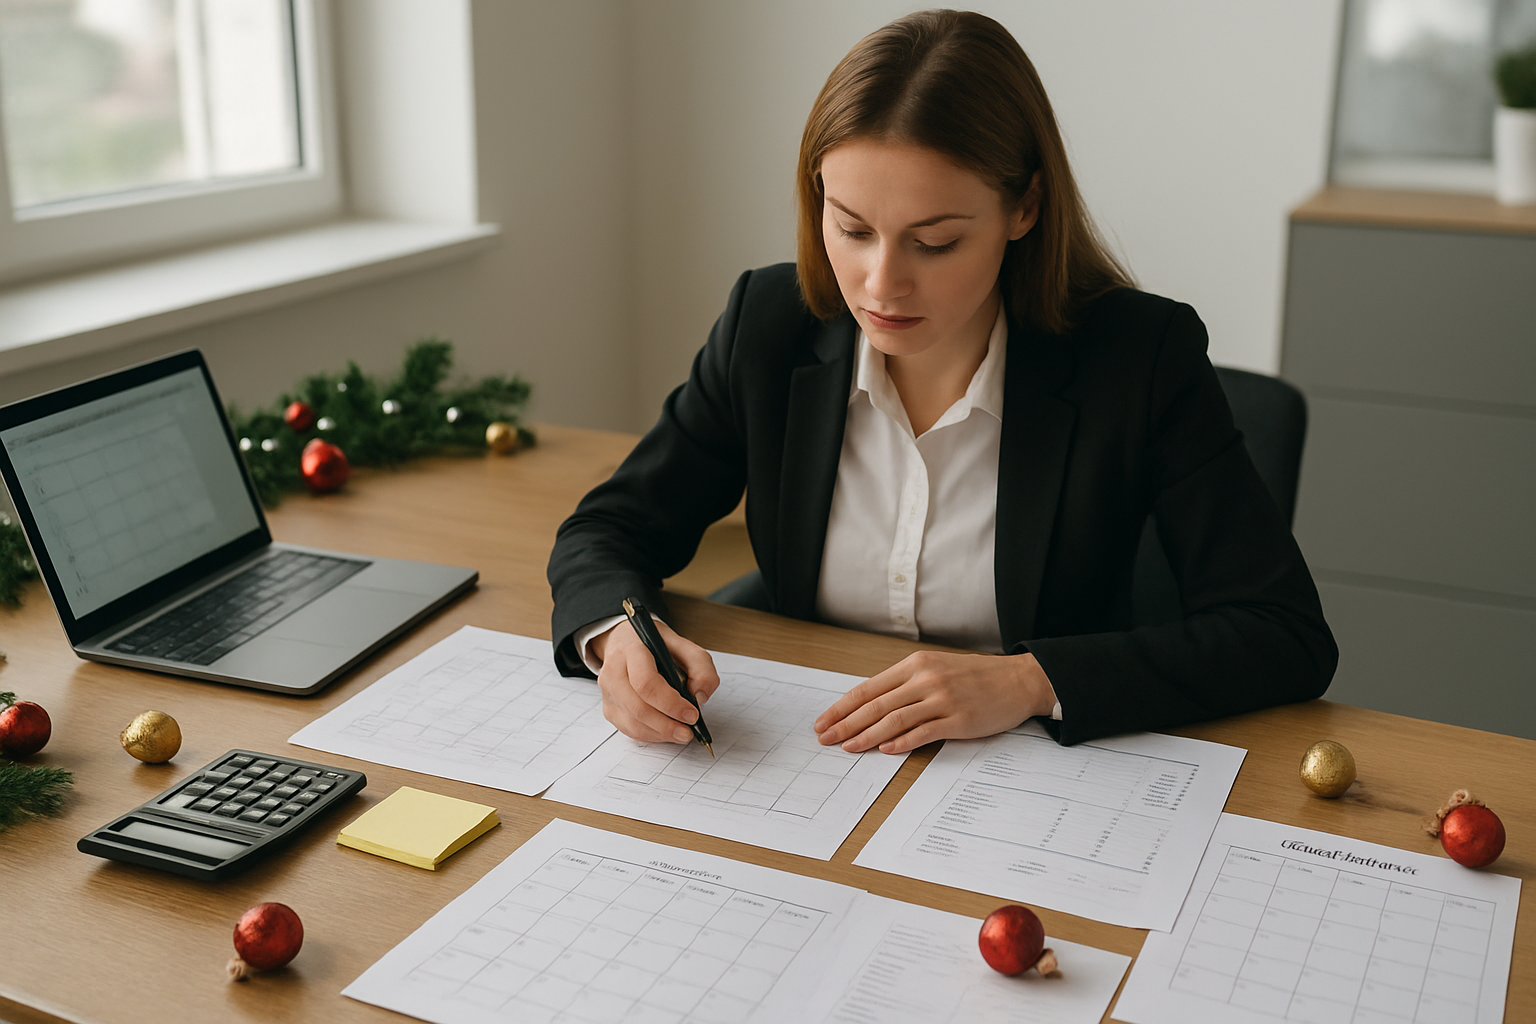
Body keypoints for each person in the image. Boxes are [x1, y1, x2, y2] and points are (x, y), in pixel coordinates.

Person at [546, 9, 1336, 751]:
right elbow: (609, 529)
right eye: (852, 229)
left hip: (1038, 773)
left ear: (1024, 207)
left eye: (935, 242)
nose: (880, 285)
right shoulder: (768, 325)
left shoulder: (1139, 357)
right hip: (814, 757)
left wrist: (1031, 681)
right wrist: (617, 637)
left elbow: (1283, 632)